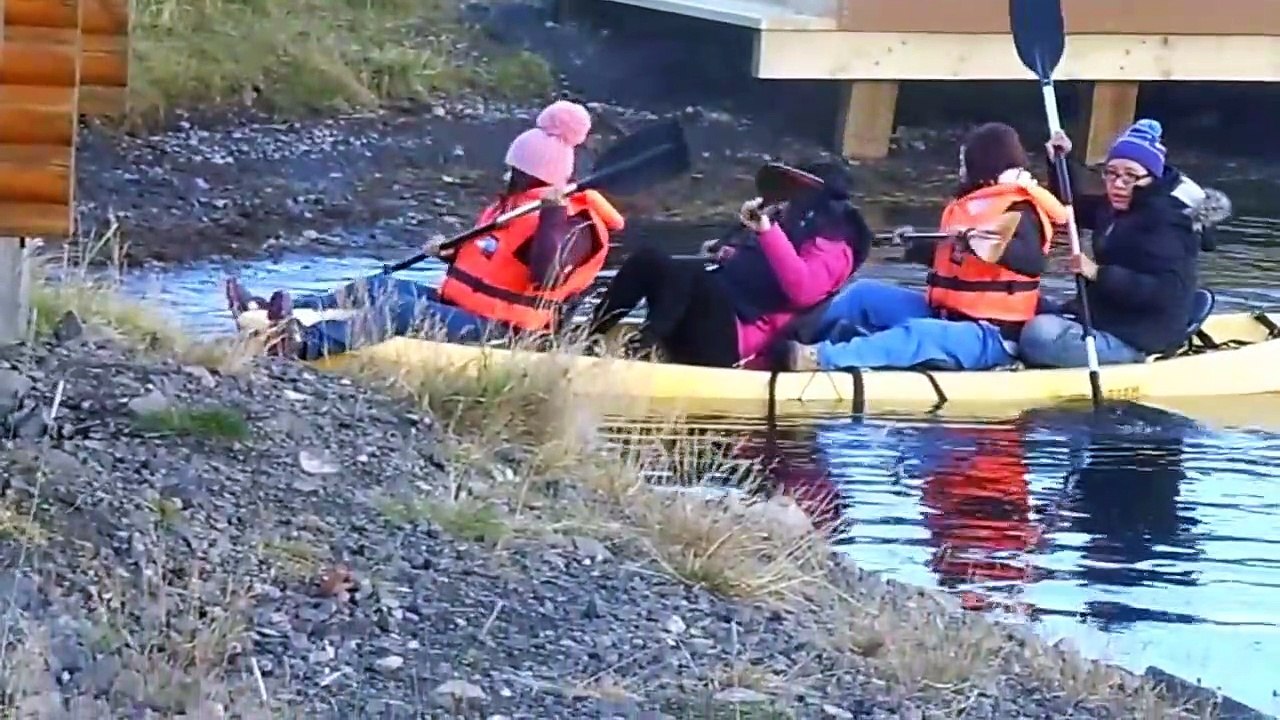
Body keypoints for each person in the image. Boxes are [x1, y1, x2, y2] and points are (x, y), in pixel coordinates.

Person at [225, 100, 624, 358]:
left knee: (400, 309)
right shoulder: (516, 206)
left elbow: (545, 275)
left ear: (536, 174)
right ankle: (276, 312)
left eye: (517, 170)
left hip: (507, 332)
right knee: (378, 287)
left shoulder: (575, 223)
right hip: (465, 309)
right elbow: (496, 259)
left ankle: (302, 344)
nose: (509, 175)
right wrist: (452, 254)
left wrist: (553, 214)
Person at [781, 122, 1070, 372]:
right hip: (946, 314)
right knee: (864, 294)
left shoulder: (1021, 208)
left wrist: (980, 244)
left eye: (965, 162)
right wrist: (916, 246)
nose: (961, 169)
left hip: (992, 336)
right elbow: (955, 263)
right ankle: (784, 334)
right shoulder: (972, 204)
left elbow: (1033, 262)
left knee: (919, 333)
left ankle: (821, 358)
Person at [585, 162, 872, 369]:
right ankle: (587, 339)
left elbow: (802, 289)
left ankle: (640, 355)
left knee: (689, 276)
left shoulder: (837, 246)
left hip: (732, 343)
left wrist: (766, 230)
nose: (790, 203)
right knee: (648, 259)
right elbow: (762, 269)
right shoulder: (798, 225)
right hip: (712, 320)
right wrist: (727, 254)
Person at [1018, 119, 1210, 367]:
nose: (1118, 184)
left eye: (1131, 176)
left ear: (1152, 178)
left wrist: (1099, 273)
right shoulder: (1116, 207)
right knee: (1025, 304)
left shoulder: (1169, 222)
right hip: (1101, 316)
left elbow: (1166, 292)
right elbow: (1071, 208)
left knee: (1038, 335)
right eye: (1111, 173)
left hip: (1138, 334)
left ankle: (1129, 360)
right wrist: (1060, 163)